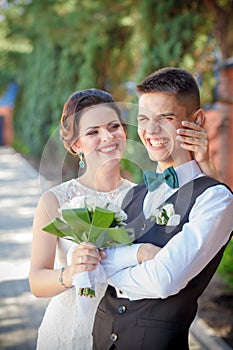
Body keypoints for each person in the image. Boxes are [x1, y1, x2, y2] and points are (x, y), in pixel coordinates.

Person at [29, 88, 218, 350]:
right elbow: (36, 282)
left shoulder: (143, 195)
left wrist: (206, 162)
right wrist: (72, 273)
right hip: (69, 329)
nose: (108, 137)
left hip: (125, 329)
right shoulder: (54, 200)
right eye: (93, 132)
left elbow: (205, 205)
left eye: (114, 126)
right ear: (76, 145)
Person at [92, 68, 233, 350]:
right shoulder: (133, 193)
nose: (151, 131)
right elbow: (90, 263)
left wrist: (105, 270)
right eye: (143, 119)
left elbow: (163, 281)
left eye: (165, 119)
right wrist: (138, 255)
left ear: (197, 120)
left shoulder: (214, 199)